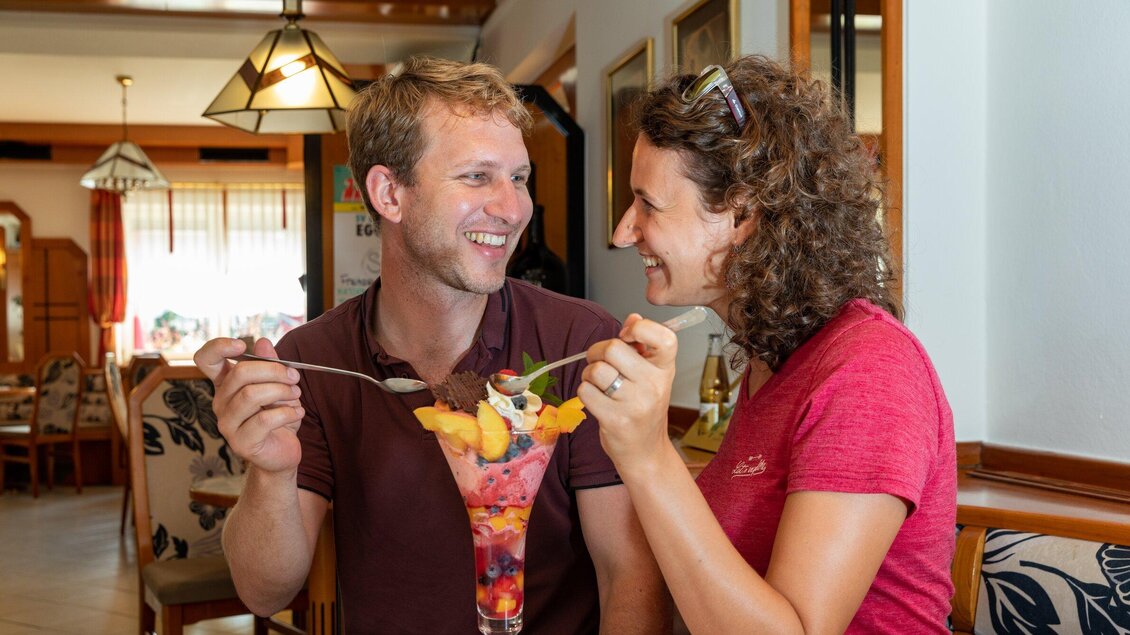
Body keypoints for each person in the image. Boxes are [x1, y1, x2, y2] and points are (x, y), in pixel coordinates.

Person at [194, 56, 668, 634]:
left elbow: (629, 575)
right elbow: (264, 591)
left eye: (519, 178)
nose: (515, 208)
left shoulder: (579, 342)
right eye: (477, 176)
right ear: (389, 193)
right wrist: (269, 474)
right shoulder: (314, 358)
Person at [579, 55, 956, 634]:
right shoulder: (771, 362)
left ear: (743, 213)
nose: (624, 230)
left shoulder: (869, 370)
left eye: (648, 204)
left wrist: (649, 455)